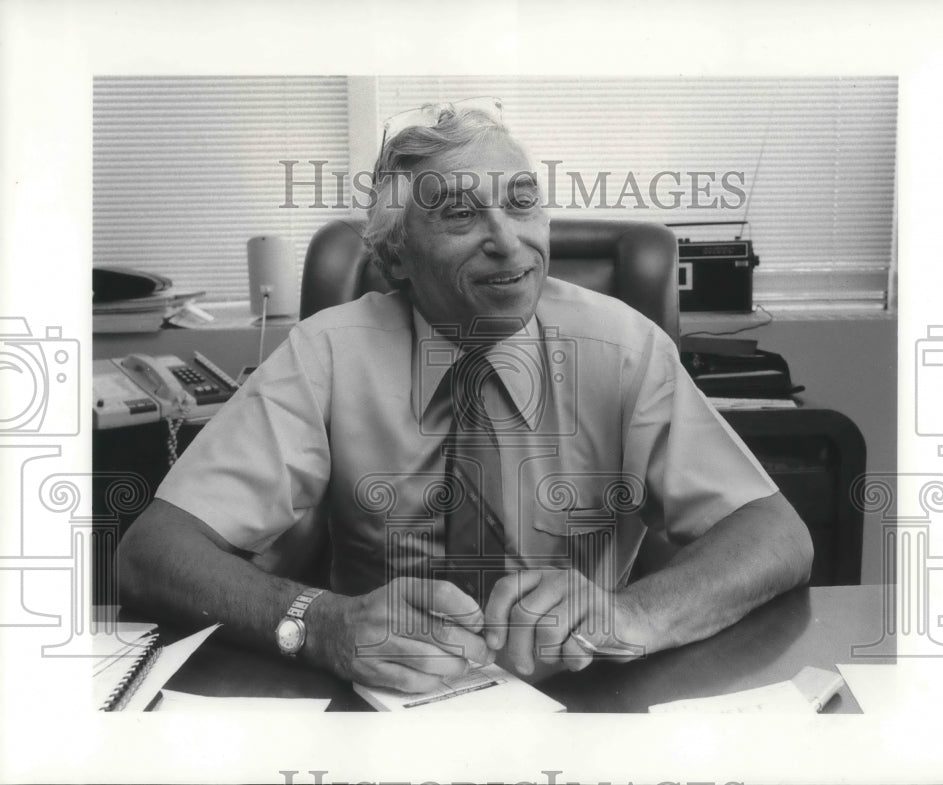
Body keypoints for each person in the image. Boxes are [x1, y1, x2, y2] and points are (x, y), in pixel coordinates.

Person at [117, 106, 813, 694]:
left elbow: (775, 533)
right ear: (396, 262)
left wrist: (632, 615)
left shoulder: (625, 348)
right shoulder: (326, 353)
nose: (509, 245)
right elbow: (152, 551)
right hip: (379, 697)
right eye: (459, 216)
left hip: (586, 696)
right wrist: (320, 621)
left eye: (520, 203)